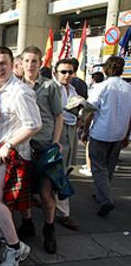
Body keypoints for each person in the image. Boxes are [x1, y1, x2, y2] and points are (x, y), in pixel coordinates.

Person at [0, 46, 42, 266]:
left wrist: (9, 144)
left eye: (3, 64)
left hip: (10, 154)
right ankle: (3, 231)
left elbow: (34, 125)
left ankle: (16, 248)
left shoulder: (20, 91)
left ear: (12, 64)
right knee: (1, 200)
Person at [21, 46, 67, 254]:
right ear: (21, 63)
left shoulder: (50, 87)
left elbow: (59, 116)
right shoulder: (16, 86)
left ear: (41, 63)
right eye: (27, 61)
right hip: (24, 148)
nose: (30, 65)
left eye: (34, 61)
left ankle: (49, 229)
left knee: (47, 195)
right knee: (25, 192)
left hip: (46, 148)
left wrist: (56, 142)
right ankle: (28, 224)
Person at [83, 56, 131, 216]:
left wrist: (84, 126)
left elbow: (91, 107)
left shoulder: (102, 86)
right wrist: (127, 133)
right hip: (119, 132)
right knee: (109, 166)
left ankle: (105, 198)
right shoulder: (128, 87)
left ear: (106, 69)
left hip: (101, 131)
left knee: (98, 166)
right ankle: (102, 192)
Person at [53, 58, 80, 231]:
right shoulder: (51, 88)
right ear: (56, 72)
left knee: (67, 168)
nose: (67, 75)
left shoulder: (73, 89)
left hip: (71, 130)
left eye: (70, 72)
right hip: (57, 132)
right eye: (63, 71)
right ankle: (63, 213)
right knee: (59, 172)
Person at [79, 72, 104, 177]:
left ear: (93, 79)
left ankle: (89, 167)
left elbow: (90, 110)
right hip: (115, 129)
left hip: (96, 125)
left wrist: (85, 127)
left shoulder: (96, 90)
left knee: (89, 145)